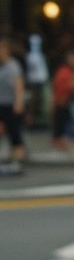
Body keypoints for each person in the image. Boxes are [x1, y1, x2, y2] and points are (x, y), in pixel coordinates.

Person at [0, 36, 27, 173]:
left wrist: (18, 103)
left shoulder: (13, 66)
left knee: (14, 133)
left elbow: (18, 85)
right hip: (1, 103)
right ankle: (11, 158)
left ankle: (18, 160)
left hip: (11, 104)